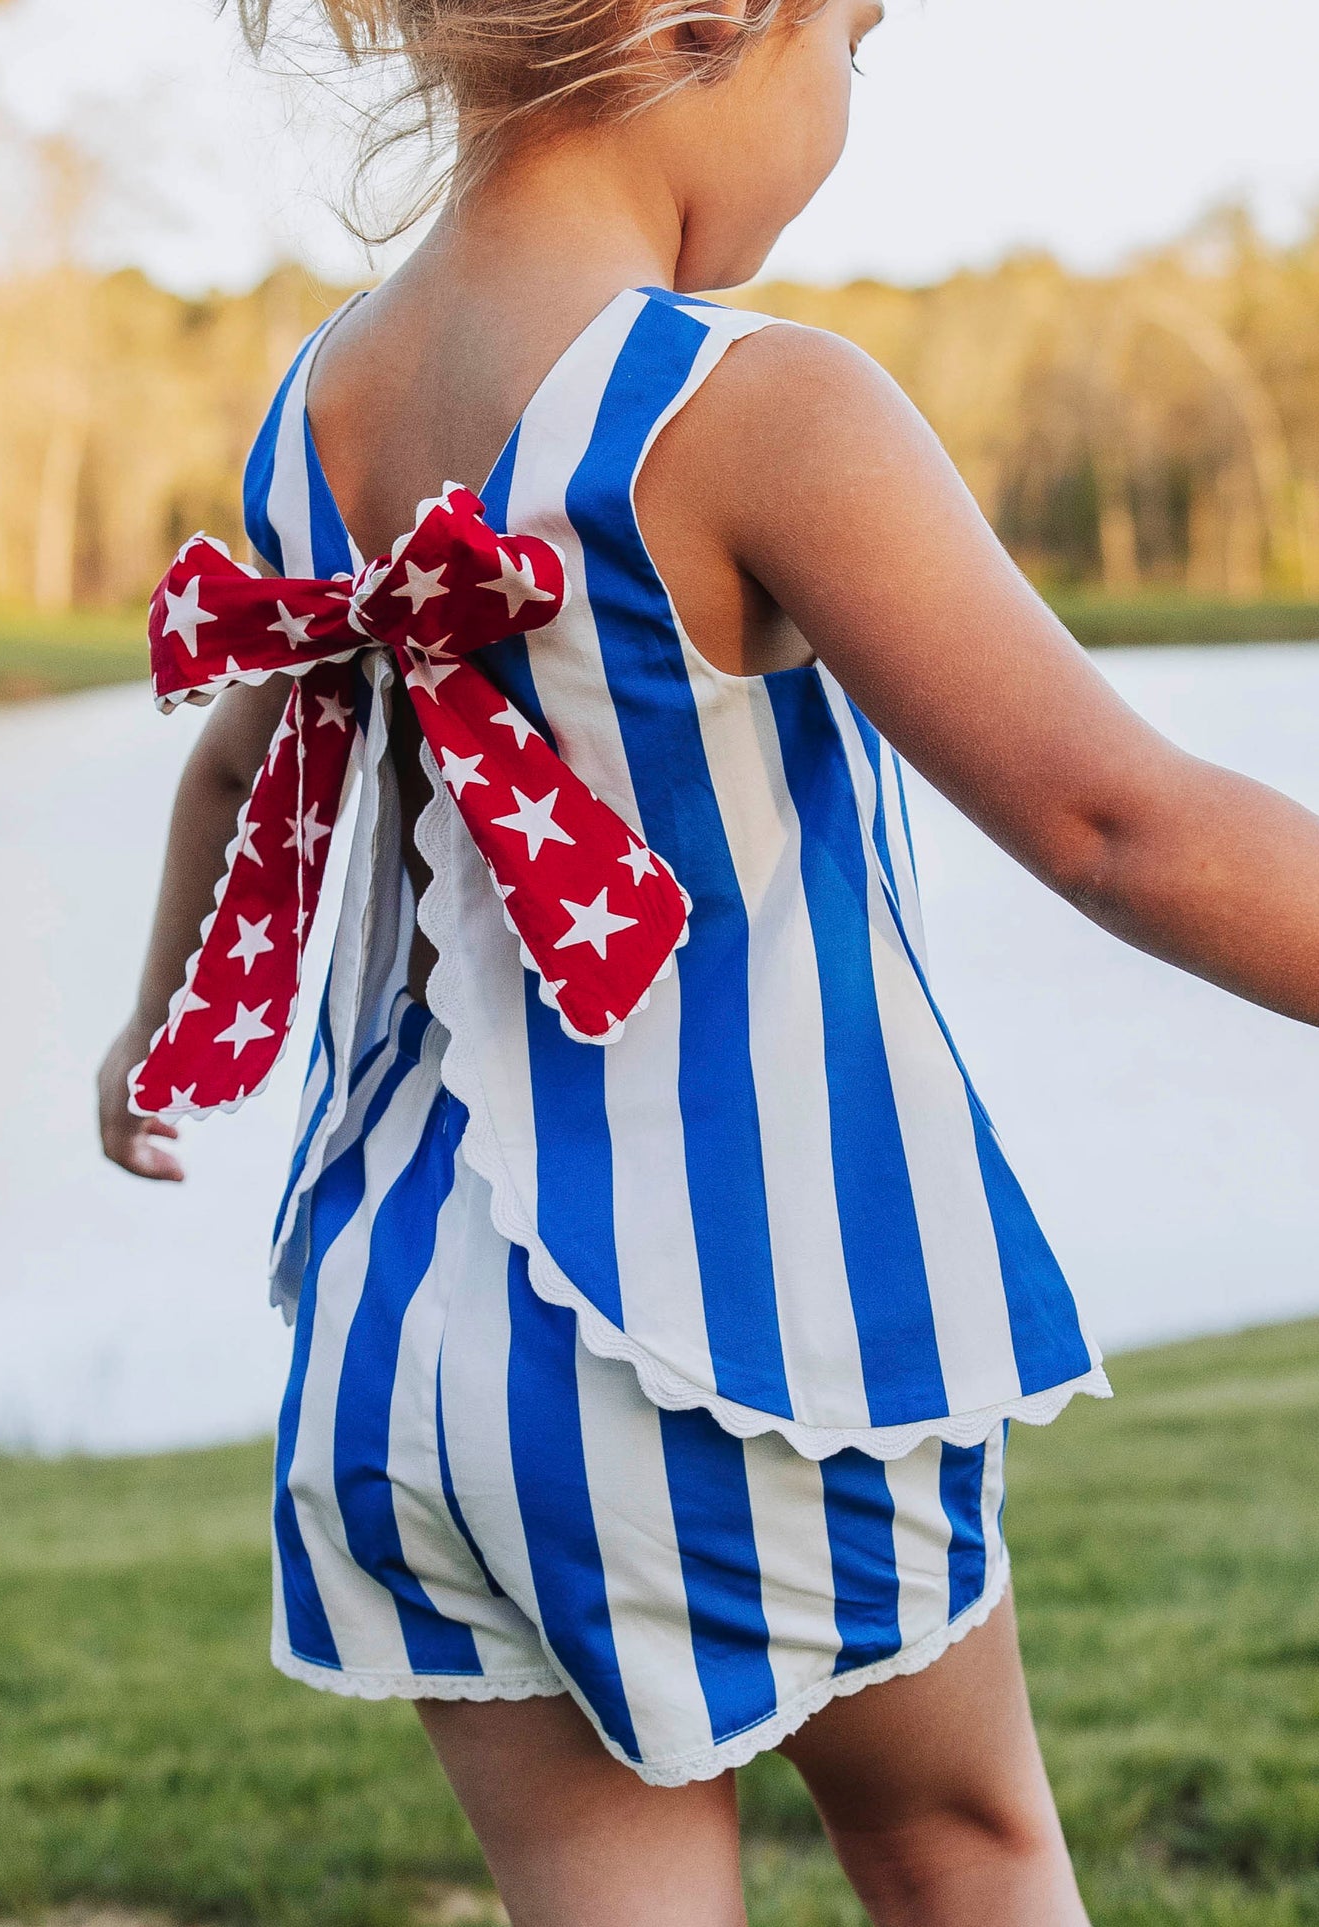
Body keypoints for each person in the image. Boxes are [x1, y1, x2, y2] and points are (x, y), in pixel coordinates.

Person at [97, 1, 1319, 1919]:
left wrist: (143, 1032)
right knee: (953, 1843)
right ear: (699, 30)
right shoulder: (747, 408)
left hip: (403, 1350)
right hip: (729, 1334)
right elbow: (1113, 822)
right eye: (853, 45)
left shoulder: (319, 404)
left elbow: (236, 764)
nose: (846, 103)